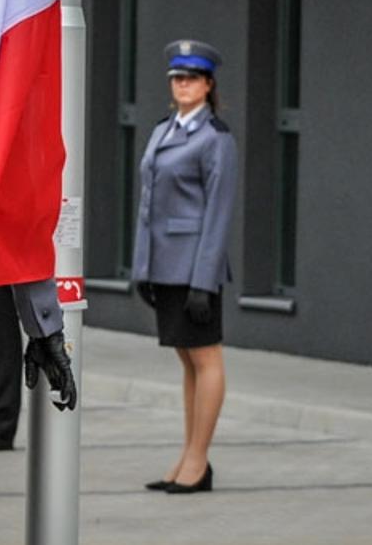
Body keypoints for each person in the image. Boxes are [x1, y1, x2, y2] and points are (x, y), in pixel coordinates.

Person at [134, 39, 235, 495]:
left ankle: (198, 462)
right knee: (187, 360)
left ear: (208, 85)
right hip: (164, 266)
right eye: (177, 77)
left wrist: (203, 280)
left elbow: (218, 213)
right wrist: (142, 267)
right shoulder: (163, 130)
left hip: (195, 267)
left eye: (191, 78)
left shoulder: (216, 138)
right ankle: (189, 456)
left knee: (205, 356)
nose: (182, 85)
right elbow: (149, 204)